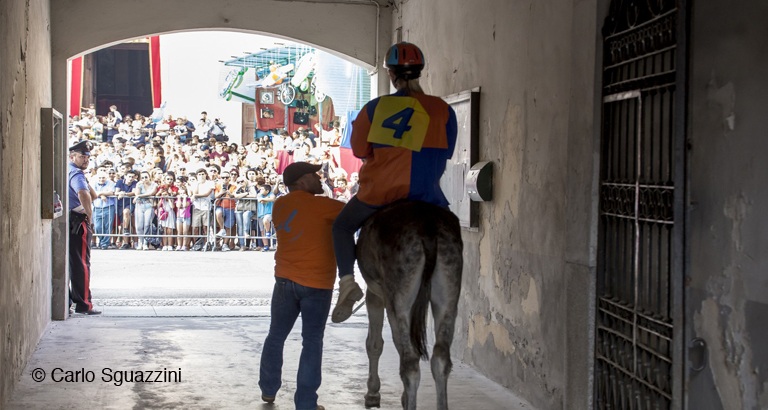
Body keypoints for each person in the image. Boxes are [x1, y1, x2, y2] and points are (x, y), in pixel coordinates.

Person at [330, 42, 458, 323]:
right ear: (419, 72)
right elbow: (447, 152)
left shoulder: (376, 108)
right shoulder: (443, 110)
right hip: (428, 195)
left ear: (391, 74)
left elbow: (361, 151)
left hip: (381, 194)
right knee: (451, 235)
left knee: (341, 227)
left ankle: (348, 282)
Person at [258, 162, 343, 410]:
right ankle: (306, 403)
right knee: (312, 341)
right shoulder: (324, 206)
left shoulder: (279, 205)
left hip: (284, 280)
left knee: (276, 335)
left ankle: (268, 389)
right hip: (317, 283)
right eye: (315, 175)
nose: (320, 179)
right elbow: (354, 213)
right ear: (302, 181)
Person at [67, 140, 101, 315]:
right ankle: (84, 304)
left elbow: (92, 194)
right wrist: (89, 216)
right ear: (73, 156)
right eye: (82, 156)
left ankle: (70, 302)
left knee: (73, 262)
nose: (86, 159)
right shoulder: (77, 174)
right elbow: (84, 193)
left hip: (71, 219)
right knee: (81, 264)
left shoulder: (71, 171)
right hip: (78, 221)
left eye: (87, 156)